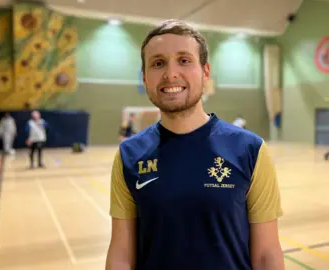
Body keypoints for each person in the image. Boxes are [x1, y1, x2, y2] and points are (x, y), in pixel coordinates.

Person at [106, 19, 284, 270]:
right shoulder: (129, 155)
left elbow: (266, 255)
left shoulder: (250, 150)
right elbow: (121, 254)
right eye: (158, 63)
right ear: (145, 78)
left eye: (184, 60)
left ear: (206, 72)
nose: (171, 74)